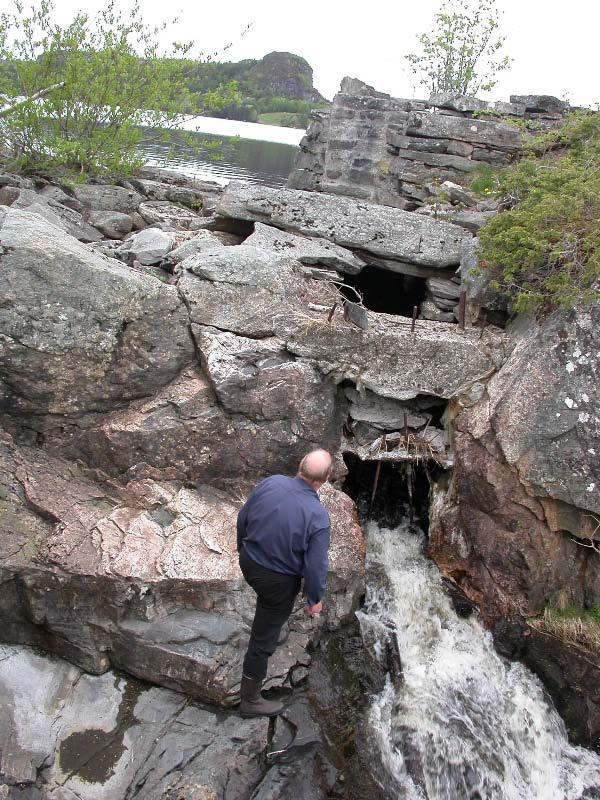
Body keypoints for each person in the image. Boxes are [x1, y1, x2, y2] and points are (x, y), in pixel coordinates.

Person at [236, 449, 333, 717]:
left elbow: (243, 518)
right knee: (262, 637)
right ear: (324, 479)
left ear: (299, 465)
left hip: (249, 561)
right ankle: (250, 701)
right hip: (277, 582)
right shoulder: (318, 517)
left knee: (265, 598)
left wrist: (242, 548)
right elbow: (315, 567)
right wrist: (314, 599)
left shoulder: (271, 482)